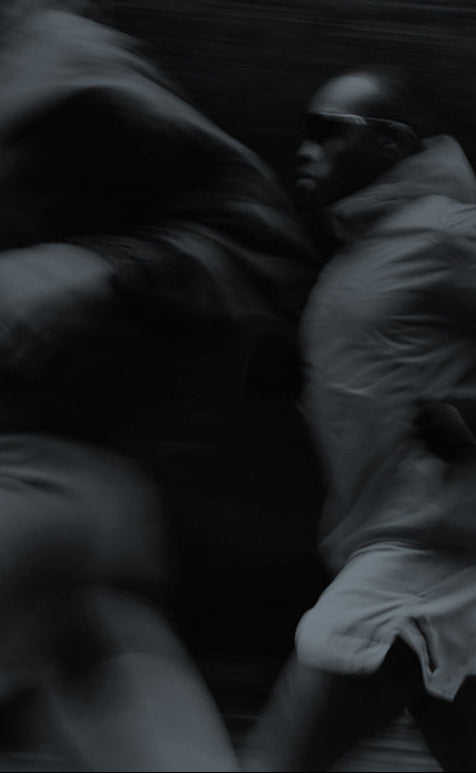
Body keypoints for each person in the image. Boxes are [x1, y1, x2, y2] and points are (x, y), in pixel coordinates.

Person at [243, 68, 476, 772]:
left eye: (328, 131)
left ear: (390, 142)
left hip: (422, 558)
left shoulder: (451, 234)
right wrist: (296, 385)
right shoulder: (354, 264)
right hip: (411, 555)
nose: (305, 148)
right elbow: (387, 395)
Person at [0, 2, 316, 770]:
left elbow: (258, 238)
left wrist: (98, 270)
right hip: (75, 534)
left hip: (41, 480)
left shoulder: (63, 72)